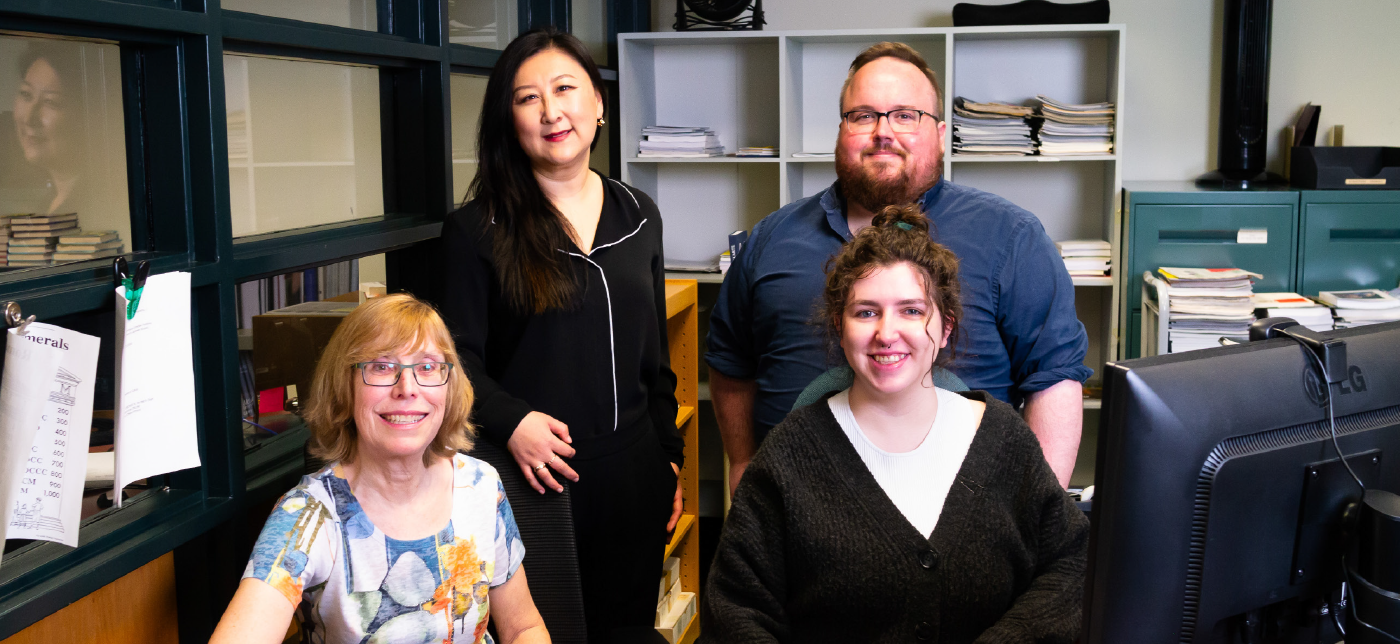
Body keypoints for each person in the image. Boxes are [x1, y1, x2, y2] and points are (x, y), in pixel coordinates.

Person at [708, 41, 1092, 492]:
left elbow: (1054, 379)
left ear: (942, 133)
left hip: (961, 517)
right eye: (863, 115)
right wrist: (741, 465)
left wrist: (1033, 517)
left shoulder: (1011, 237)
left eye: (906, 115)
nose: (883, 131)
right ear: (840, 129)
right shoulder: (772, 238)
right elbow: (731, 362)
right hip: (791, 514)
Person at [700, 205, 1090, 643]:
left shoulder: (1005, 442)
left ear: (945, 328)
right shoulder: (787, 459)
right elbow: (736, 610)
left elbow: (1069, 569)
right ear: (839, 326)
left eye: (911, 311)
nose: (887, 332)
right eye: (866, 312)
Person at [438, 27, 683, 643]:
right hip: (533, 479)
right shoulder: (475, 231)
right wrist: (511, 421)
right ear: (509, 120)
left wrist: (668, 458)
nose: (551, 111)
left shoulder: (639, 212)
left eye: (565, 88)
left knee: (630, 630)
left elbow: (654, 357)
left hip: (633, 473)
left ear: (598, 104)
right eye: (527, 98)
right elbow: (453, 358)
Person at [210, 294, 549, 644]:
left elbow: (524, 628)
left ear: (449, 385)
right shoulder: (308, 517)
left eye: (428, 367)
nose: (408, 388)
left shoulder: (479, 485)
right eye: (382, 367)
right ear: (345, 387)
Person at [4, 42, 83, 215]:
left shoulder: (97, 204)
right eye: (26, 94)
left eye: (50, 102)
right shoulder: (46, 202)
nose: (28, 118)